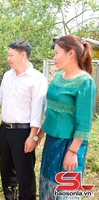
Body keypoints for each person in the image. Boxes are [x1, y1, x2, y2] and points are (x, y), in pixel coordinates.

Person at [0, 40, 48, 200]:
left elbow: (38, 111)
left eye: (11, 55)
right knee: (7, 172)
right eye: (8, 55)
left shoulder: (37, 79)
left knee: (24, 174)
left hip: (23, 131)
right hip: (5, 130)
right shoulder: (8, 75)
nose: (8, 58)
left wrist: (33, 136)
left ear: (23, 55)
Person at [38, 35, 97, 199]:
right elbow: (51, 110)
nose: (54, 57)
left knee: (65, 192)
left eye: (57, 53)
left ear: (70, 53)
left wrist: (72, 152)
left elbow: (84, 123)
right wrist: (40, 134)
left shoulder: (85, 82)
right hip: (52, 142)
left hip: (70, 145)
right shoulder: (58, 77)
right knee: (47, 186)